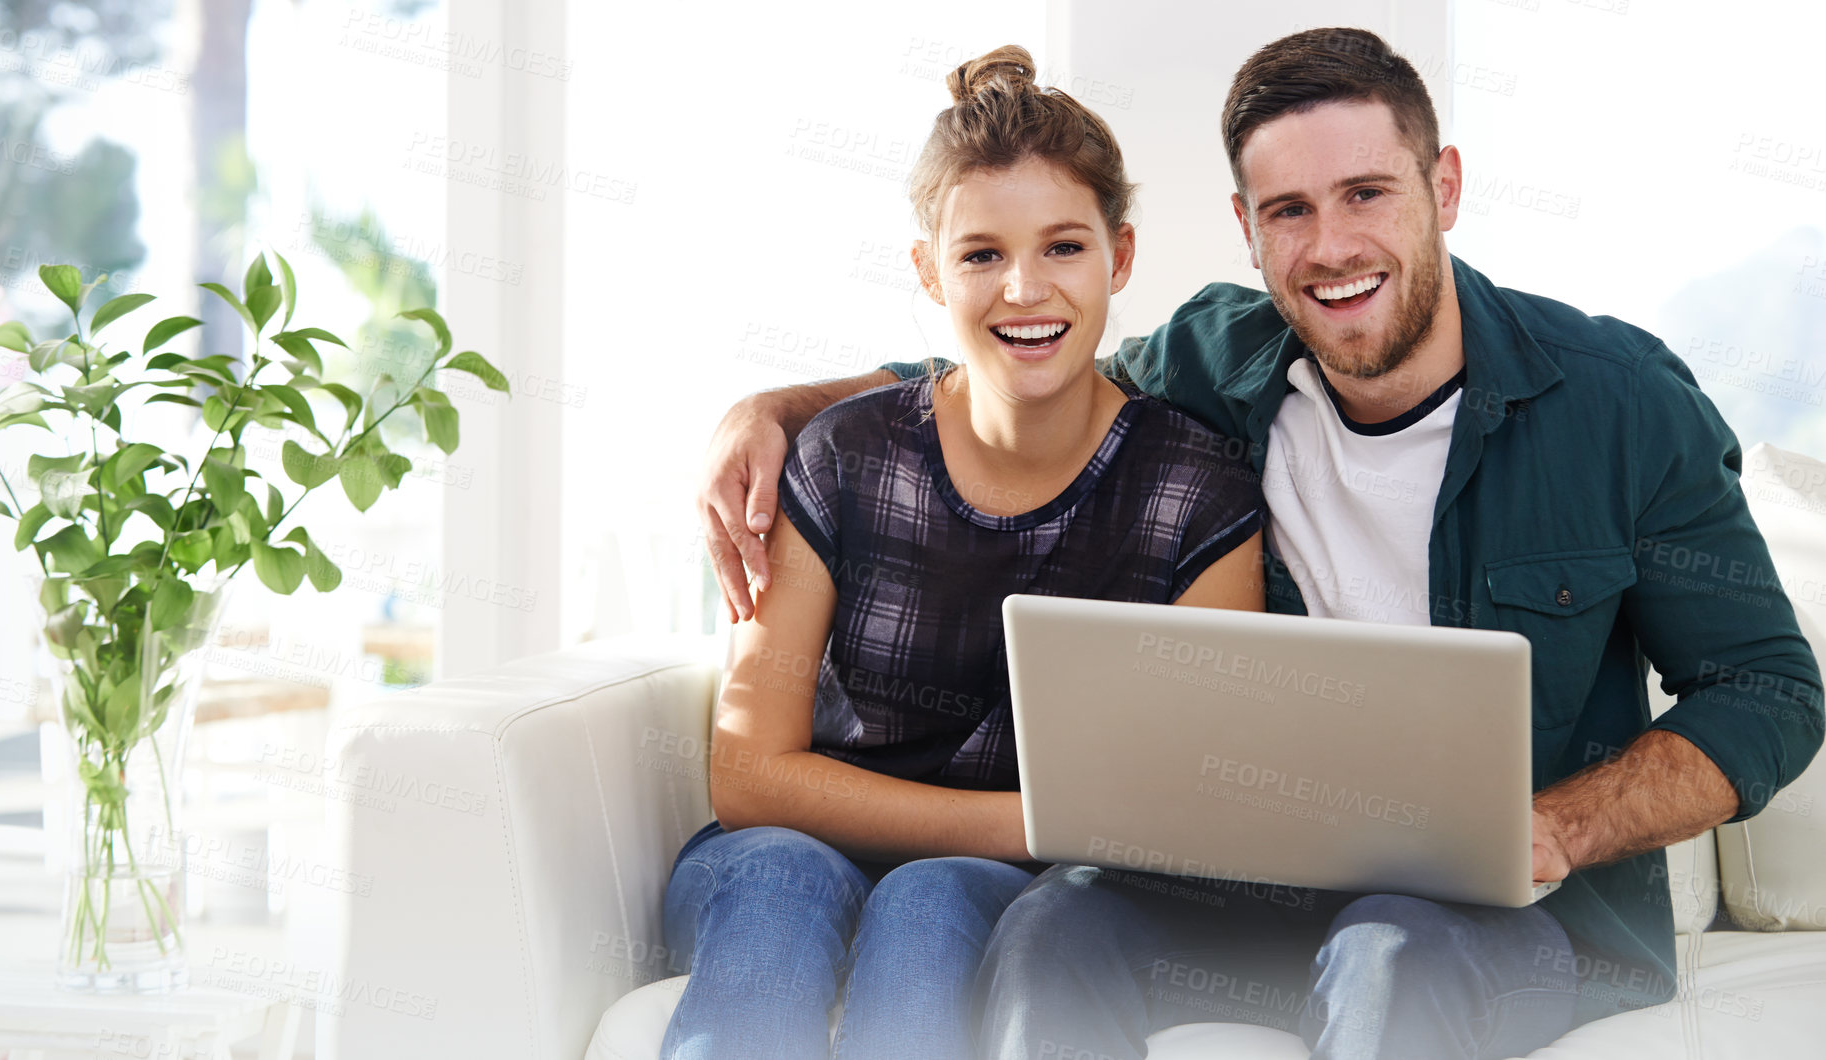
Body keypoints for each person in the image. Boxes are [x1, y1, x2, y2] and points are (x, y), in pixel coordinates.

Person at [695, 26, 1824, 1060]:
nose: (1330, 248)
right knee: (1052, 928)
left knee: (1390, 951)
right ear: (1244, 227)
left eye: (1366, 193)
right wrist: (778, 408)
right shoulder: (1213, 360)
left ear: (1444, 187)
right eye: (1287, 210)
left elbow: (1768, 689)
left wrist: (1558, 823)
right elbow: (1018, 370)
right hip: (1244, 893)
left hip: (1504, 919)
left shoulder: (1617, 405)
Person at [664, 46, 1266, 1060]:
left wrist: (1007, 845)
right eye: (980, 254)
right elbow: (750, 775)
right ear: (926, 269)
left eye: (1063, 247)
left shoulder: (1195, 490)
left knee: (929, 904)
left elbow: (1186, 800)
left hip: (1001, 882)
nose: (1022, 289)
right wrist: (1027, 824)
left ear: (1119, 257)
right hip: (792, 852)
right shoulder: (843, 455)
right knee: (779, 883)